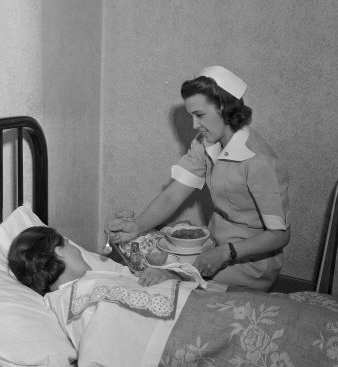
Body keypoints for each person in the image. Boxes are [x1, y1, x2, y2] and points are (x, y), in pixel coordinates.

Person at [107, 65, 290, 291]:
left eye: (200, 115)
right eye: (191, 116)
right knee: (155, 264)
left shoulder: (260, 161)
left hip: (249, 262)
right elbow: (173, 196)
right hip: (215, 245)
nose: (195, 125)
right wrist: (137, 226)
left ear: (224, 107)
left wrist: (226, 252)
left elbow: (279, 236)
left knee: (168, 282)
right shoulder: (206, 143)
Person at [7, 226, 179, 295]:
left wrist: (166, 274)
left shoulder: (92, 283)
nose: (76, 249)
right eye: (67, 243)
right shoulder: (77, 299)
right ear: (58, 252)